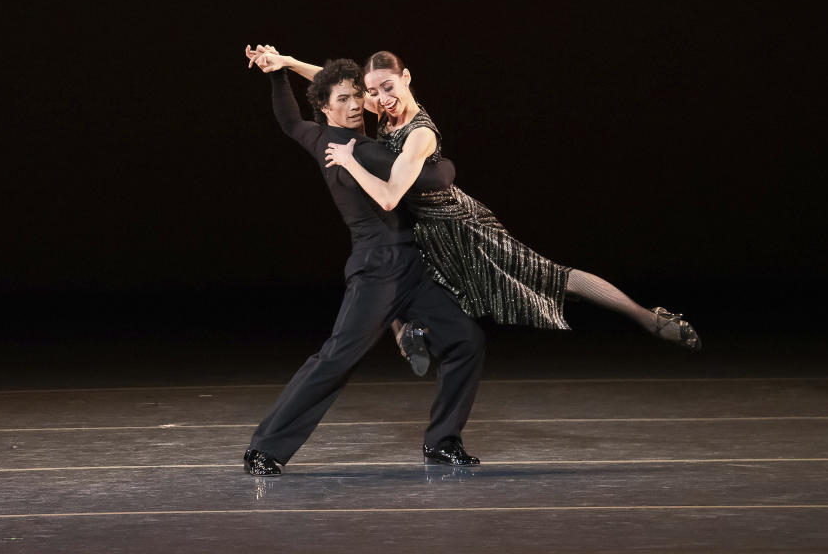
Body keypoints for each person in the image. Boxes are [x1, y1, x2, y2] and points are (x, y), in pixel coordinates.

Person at [247, 46, 701, 352]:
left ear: (406, 79)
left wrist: (348, 161)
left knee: (547, 275)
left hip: (458, 224)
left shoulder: (419, 132)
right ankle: (409, 335)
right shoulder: (377, 107)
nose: (379, 99)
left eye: (389, 87)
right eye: (373, 91)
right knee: (391, 269)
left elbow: (388, 197)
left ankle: (645, 316)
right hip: (421, 227)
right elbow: (332, 89)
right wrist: (284, 61)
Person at [242, 52, 486, 476]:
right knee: (336, 358)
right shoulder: (360, 151)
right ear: (325, 106)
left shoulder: (317, 137)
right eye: (344, 99)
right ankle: (264, 448)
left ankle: (442, 441)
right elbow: (434, 178)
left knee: (466, 341)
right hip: (378, 268)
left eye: (359, 96)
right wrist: (444, 159)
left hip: (410, 265)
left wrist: (279, 72)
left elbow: (287, 120)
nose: (356, 105)